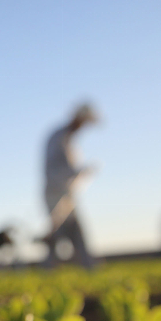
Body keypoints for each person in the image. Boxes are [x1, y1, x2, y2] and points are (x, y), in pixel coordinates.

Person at [41, 103, 99, 268]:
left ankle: (88, 268)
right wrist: (80, 171)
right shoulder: (59, 138)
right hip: (55, 193)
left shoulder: (68, 139)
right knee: (58, 233)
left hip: (66, 194)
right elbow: (56, 168)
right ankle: (48, 270)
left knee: (76, 232)